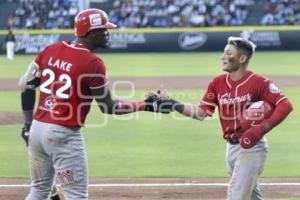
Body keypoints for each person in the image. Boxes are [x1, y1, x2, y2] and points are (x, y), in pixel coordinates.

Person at [18, 8, 171, 200]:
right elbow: (109, 107)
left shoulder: (51, 49)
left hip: (37, 131)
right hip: (62, 138)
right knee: (77, 196)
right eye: (104, 29)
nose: (108, 33)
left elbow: (26, 84)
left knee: (39, 191)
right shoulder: (93, 63)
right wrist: (147, 104)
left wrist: (27, 125)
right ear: (91, 33)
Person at [155, 37, 293, 200]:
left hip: (252, 148)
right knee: (252, 196)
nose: (223, 57)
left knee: (236, 195)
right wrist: (172, 104)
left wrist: (259, 130)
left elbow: (285, 105)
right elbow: (201, 113)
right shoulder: (217, 82)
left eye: (228, 53)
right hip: (231, 149)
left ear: (242, 58)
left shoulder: (259, 82)